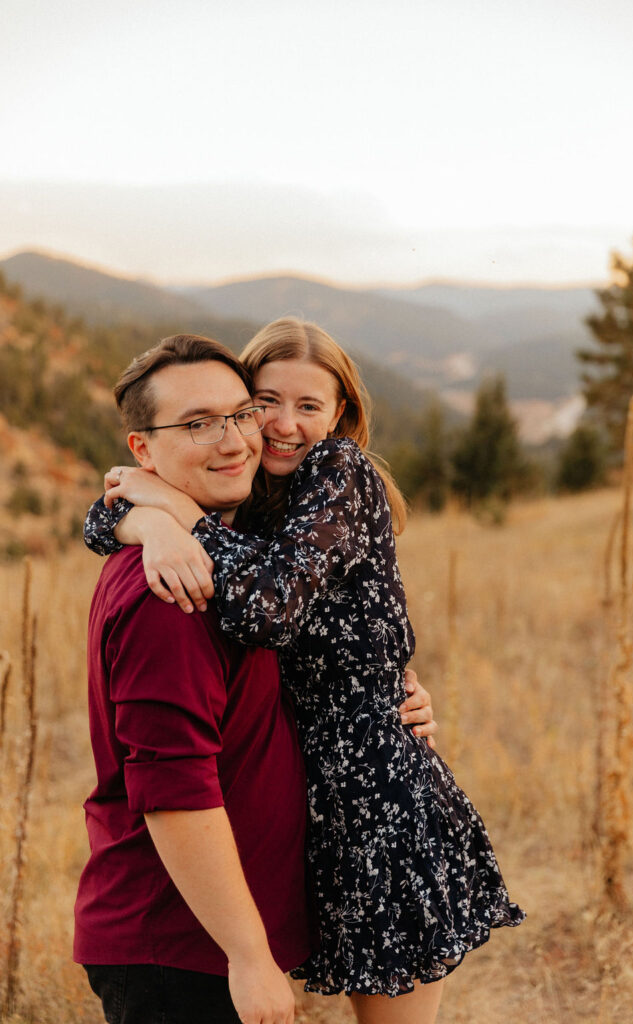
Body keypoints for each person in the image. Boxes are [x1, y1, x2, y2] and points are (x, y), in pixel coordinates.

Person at [87, 319, 524, 1024]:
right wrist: (153, 521)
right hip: (308, 799)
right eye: (264, 402)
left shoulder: (336, 472)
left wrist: (174, 512)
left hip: (372, 799)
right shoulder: (245, 485)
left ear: (342, 414)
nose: (282, 426)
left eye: (309, 406)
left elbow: (269, 609)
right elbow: (102, 515)